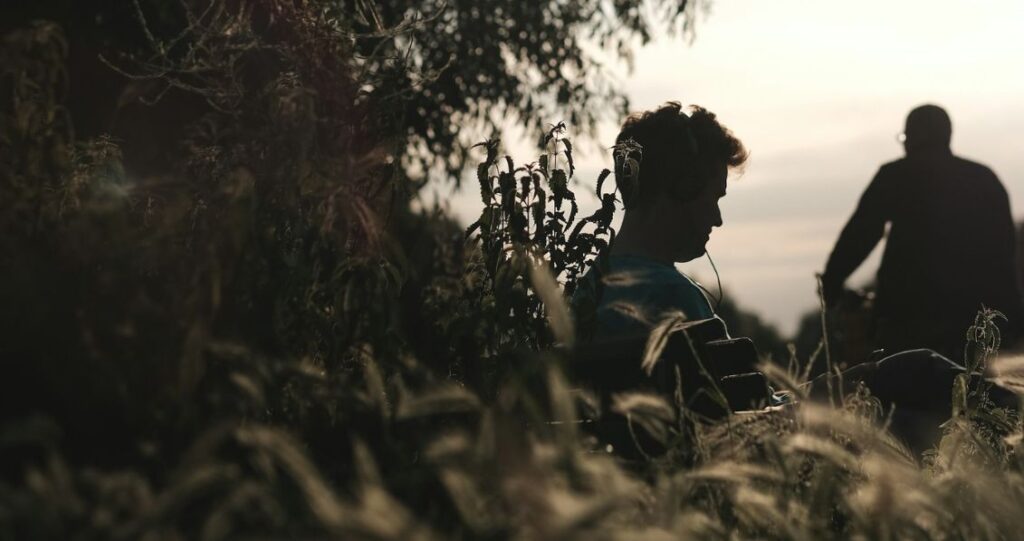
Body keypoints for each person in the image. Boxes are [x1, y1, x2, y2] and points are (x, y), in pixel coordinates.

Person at [821, 104, 1024, 360]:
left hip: (910, 318)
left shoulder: (895, 175)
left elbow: (861, 234)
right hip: (980, 322)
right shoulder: (985, 179)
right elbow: (1005, 252)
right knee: (979, 395)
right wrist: (1012, 316)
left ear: (912, 137)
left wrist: (831, 282)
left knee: (907, 390)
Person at [573, 102, 748, 340]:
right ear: (684, 188)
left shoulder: (584, 292)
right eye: (714, 198)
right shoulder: (679, 299)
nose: (717, 220)